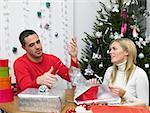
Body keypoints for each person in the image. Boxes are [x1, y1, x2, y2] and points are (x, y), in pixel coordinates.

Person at [13, 29, 79, 94]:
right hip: (26, 102)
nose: (37, 47)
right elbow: (24, 88)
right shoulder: (20, 63)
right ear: (24, 48)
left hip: (46, 101)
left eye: (38, 42)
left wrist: (73, 58)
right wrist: (38, 81)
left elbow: (73, 79)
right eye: (31, 45)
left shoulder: (52, 60)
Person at [102, 38, 149, 106]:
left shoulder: (139, 74)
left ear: (126, 52)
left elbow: (145, 104)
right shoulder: (109, 71)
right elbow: (102, 98)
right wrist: (94, 87)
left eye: (114, 49)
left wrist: (124, 94)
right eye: (110, 49)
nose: (110, 52)